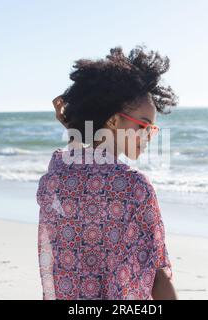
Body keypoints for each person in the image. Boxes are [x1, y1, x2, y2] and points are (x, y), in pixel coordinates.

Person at [37, 46, 178, 300]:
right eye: (144, 125)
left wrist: (79, 128)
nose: (149, 135)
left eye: (153, 129)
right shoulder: (134, 186)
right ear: (113, 121)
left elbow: (83, 161)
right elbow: (157, 275)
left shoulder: (57, 174)